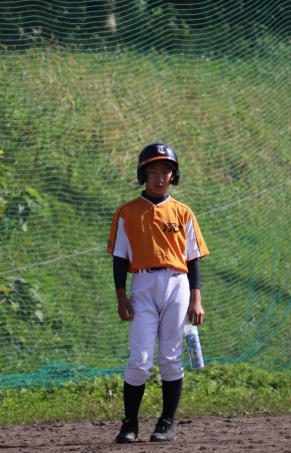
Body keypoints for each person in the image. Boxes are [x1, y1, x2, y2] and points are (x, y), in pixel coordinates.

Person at [106, 142, 209, 443]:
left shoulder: (183, 212)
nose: (160, 177)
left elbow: (192, 259)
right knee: (139, 358)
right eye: (153, 171)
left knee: (171, 356)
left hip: (177, 284)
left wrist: (196, 299)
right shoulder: (127, 212)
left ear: (173, 176)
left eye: (166, 171)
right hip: (142, 284)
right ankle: (129, 425)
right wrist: (121, 296)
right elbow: (120, 258)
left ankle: (166, 423)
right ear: (143, 175)